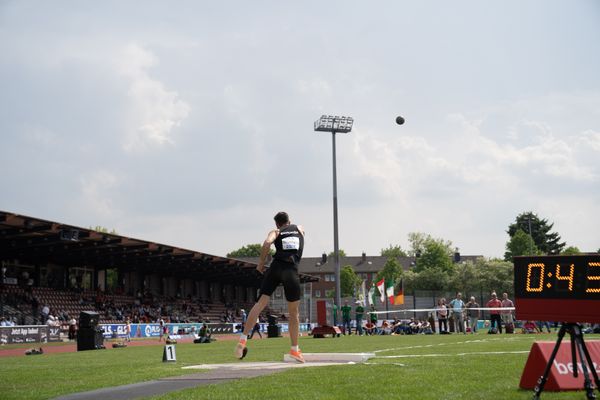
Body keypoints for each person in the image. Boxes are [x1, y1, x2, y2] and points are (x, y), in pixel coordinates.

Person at [234, 212, 305, 363]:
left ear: (277, 224)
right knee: (294, 313)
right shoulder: (299, 228)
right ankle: (294, 350)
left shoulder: (276, 232)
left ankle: (242, 341)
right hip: (291, 270)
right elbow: (300, 237)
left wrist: (260, 264)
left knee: (259, 304)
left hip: (275, 267)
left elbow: (267, 243)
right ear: (289, 221)